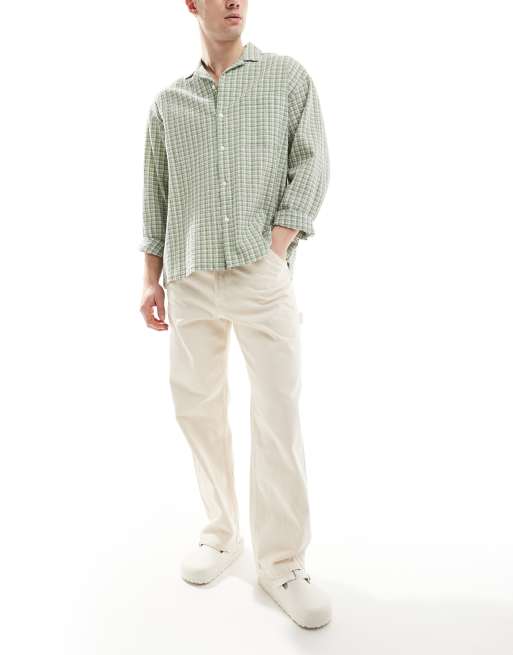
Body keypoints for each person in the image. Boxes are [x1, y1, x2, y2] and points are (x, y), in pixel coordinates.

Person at [139, 0, 331, 629]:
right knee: (197, 408)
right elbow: (156, 194)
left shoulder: (287, 78)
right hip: (190, 275)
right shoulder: (169, 103)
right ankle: (221, 534)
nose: (234, 2)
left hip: (260, 273)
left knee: (277, 413)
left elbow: (312, 163)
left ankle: (283, 563)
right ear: (191, 4)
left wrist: (276, 246)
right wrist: (150, 278)